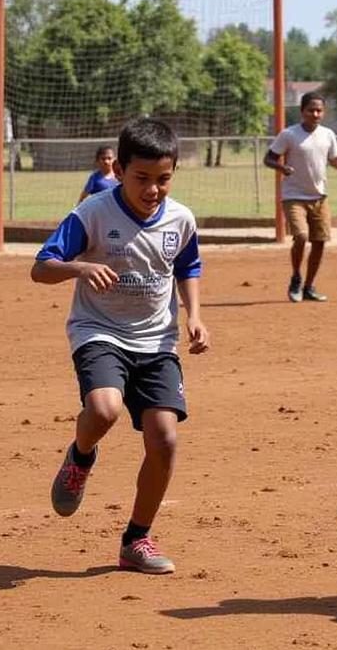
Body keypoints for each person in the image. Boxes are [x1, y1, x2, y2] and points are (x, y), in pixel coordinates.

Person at [31, 118, 209, 575]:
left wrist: (195, 315)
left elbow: (187, 266)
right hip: (99, 330)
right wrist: (81, 269)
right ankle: (80, 458)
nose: (153, 190)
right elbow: (42, 266)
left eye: (163, 179)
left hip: (157, 340)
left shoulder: (181, 219)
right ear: (120, 170)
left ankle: (136, 540)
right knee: (104, 410)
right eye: (142, 179)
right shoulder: (93, 211)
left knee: (165, 440)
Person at [264, 91, 337, 302]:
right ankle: (296, 277)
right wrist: (281, 167)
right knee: (301, 236)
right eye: (311, 110)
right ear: (302, 111)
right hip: (293, 196)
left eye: (319, 110)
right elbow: (269, 158)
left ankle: (309, 286)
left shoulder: (328, 134)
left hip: (319, 196)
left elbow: (334, 157)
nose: (315, 114)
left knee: (320, 241)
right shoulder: (289, 135)